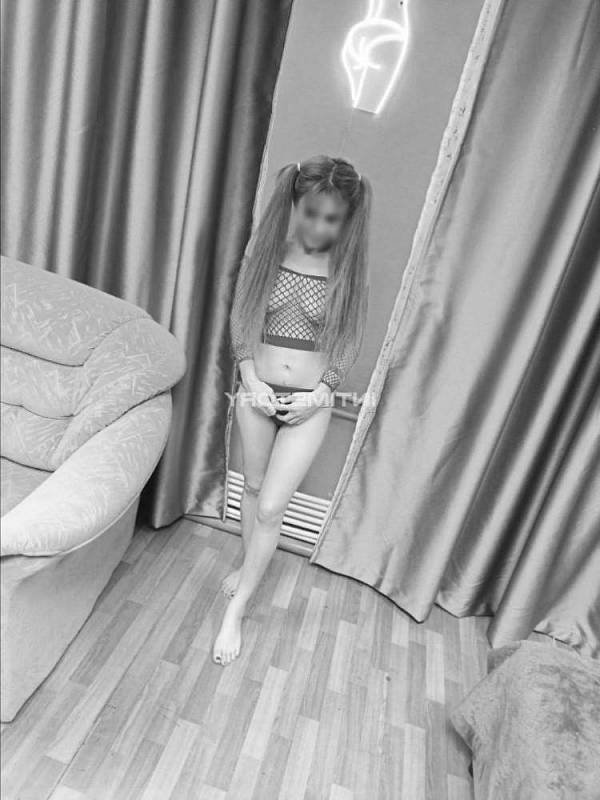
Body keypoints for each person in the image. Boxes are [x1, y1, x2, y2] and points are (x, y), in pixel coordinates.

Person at [212, 155, 372, 665]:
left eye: (332, 218)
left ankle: (236, 610)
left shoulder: (347, 272)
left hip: (309, 402)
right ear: (295, 204)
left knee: (271, 507)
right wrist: (249, 376)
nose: (320, 226)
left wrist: (322, 392)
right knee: (252, 489)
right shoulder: (266, 255)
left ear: (347, 218)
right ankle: (247, 568)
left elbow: (348, 342)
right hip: (255, 392)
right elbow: (242, 319)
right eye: (311, 213)